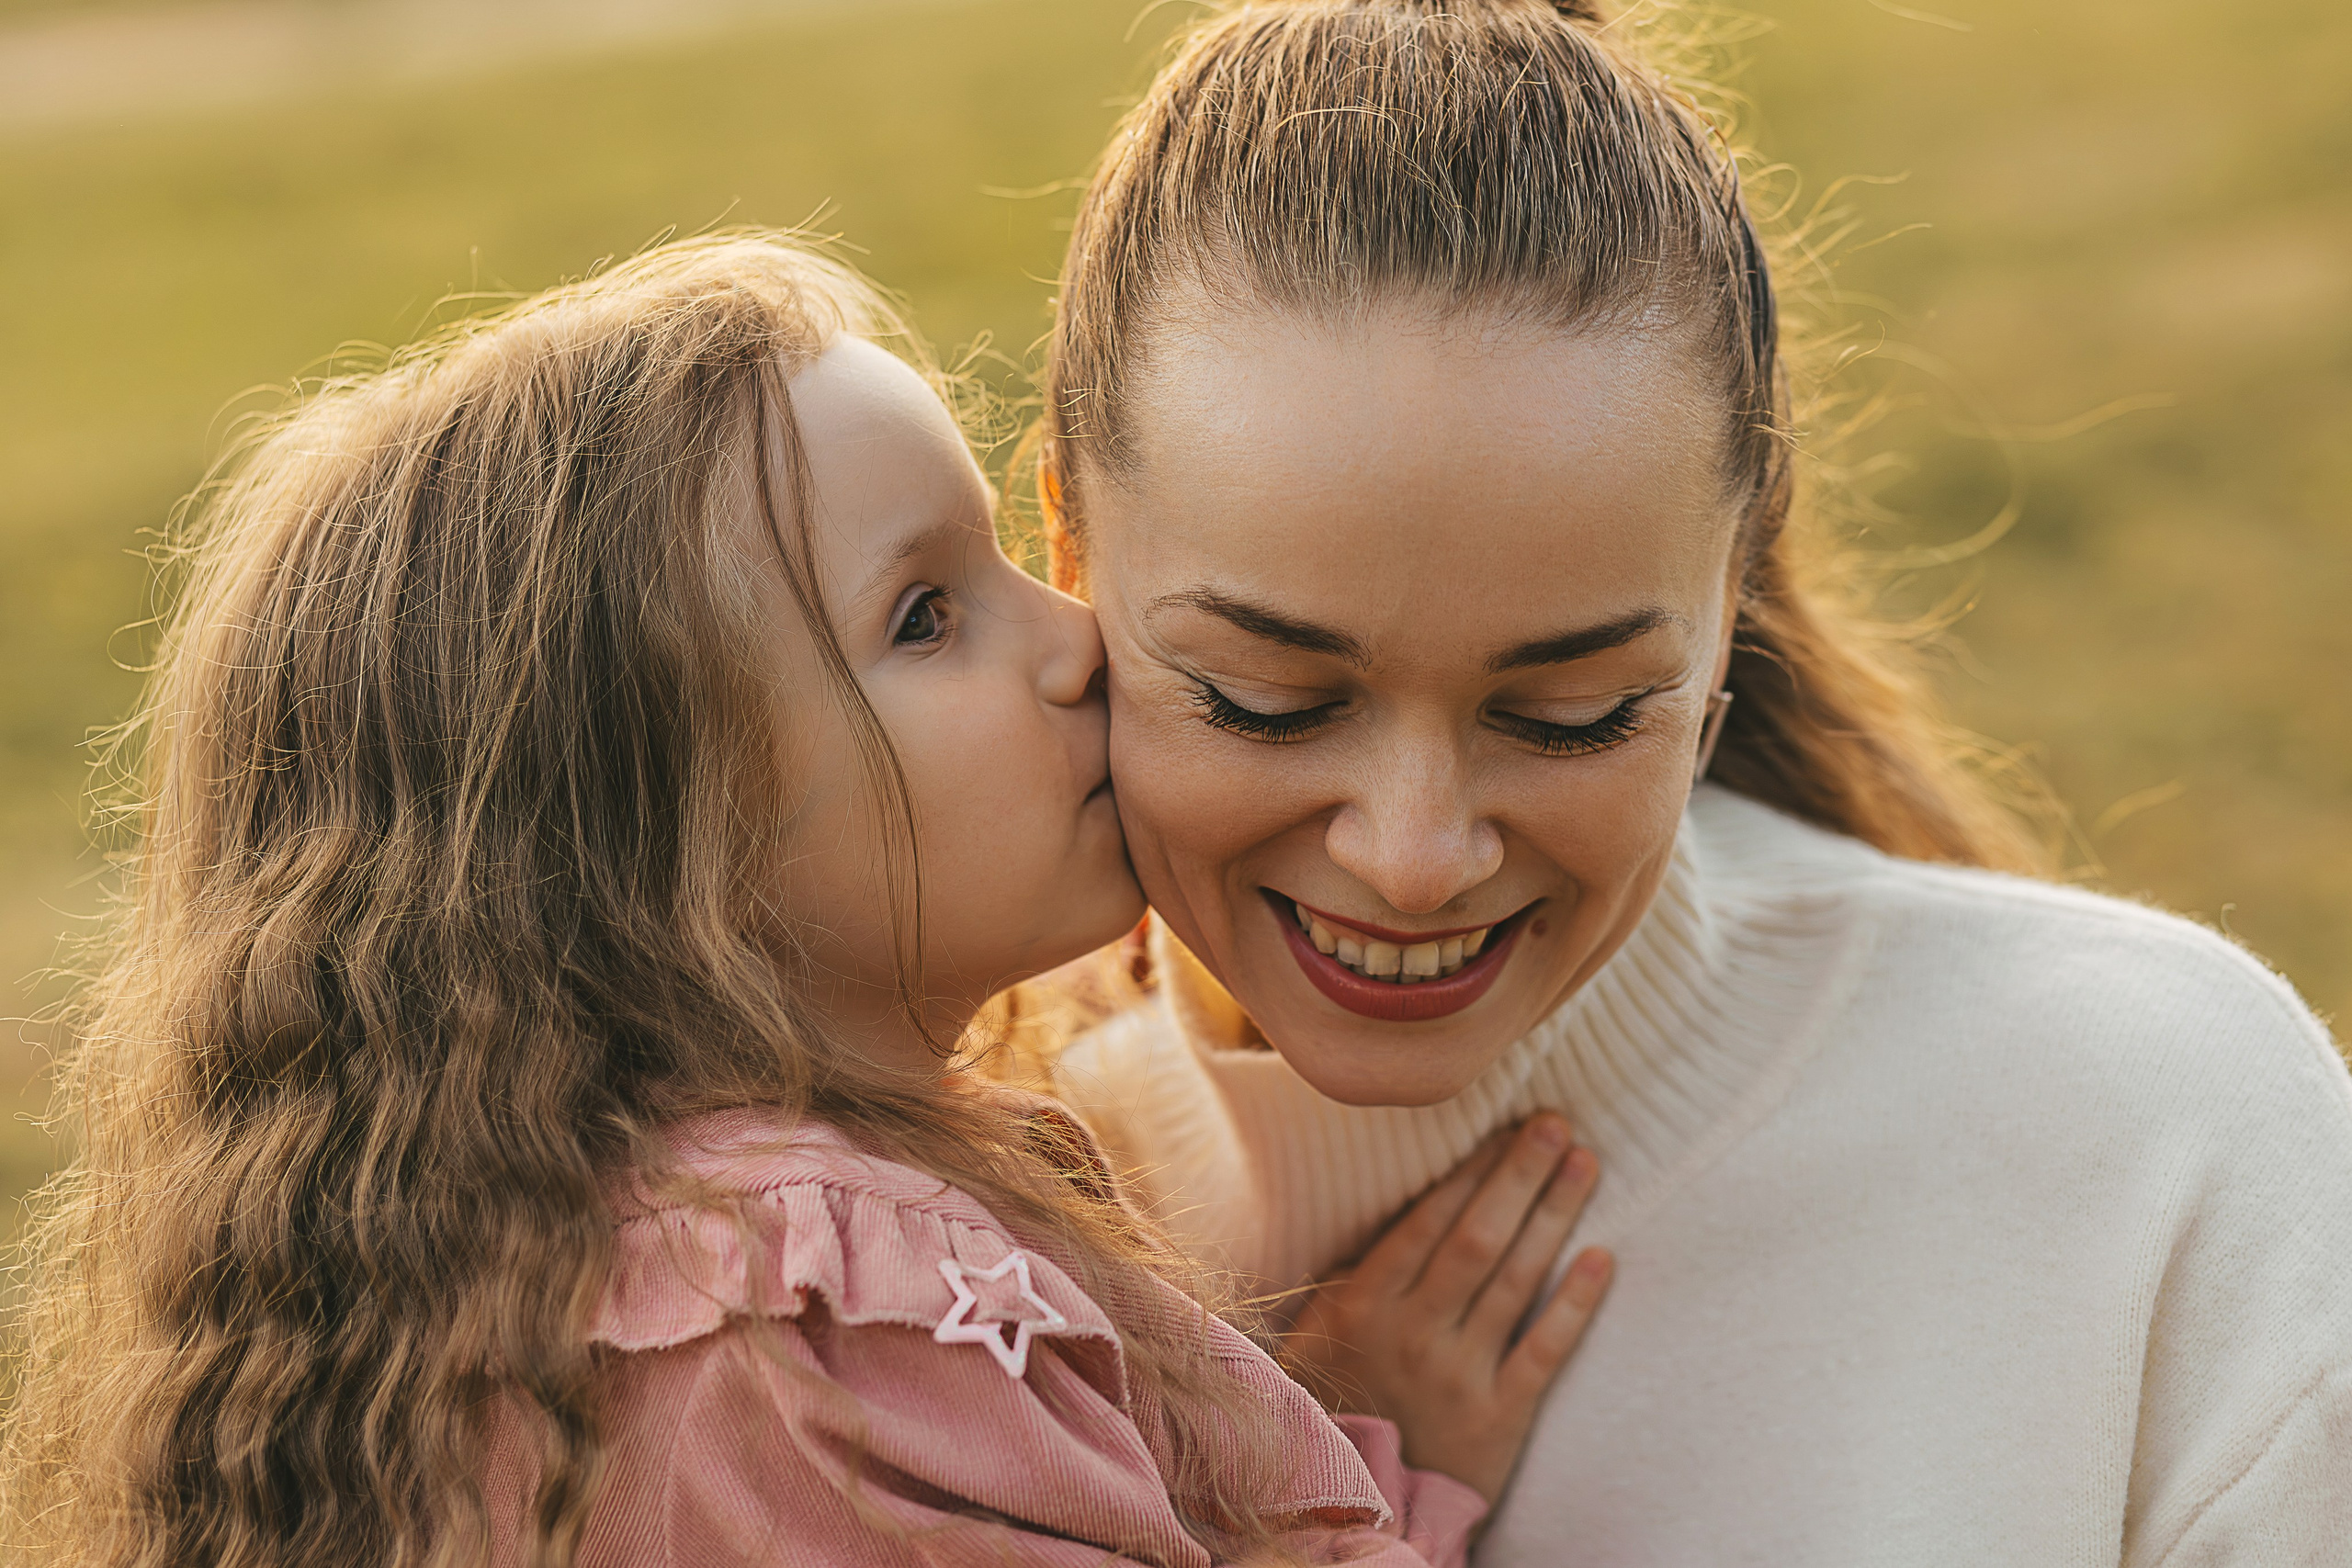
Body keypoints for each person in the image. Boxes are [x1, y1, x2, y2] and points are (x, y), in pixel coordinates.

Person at [0, 234, 1616, 1567]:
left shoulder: (579, 1295)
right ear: (652, 851)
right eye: (926, 616)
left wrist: (1334, 1445)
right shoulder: (812, 1318)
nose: (1072, 641)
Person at [1019, 2, 2352, 1562]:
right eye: (1271, 699)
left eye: (1576, 713)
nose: (1416, 856)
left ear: (1734, 598)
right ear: (1069, 552)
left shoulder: (2165, 1145)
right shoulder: (900, 1258)